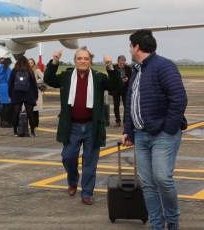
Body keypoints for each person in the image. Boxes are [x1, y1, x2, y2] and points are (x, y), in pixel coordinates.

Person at [122, 30, 188, 230]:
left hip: (162, 135)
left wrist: (168, 129)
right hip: (141, 136)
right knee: (148, 184)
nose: (130, 49)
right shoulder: (137, 70)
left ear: (136, 47)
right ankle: (157, 225)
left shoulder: (164, 66)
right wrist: (128, 130)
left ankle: (172, 221)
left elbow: (179, 99)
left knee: (162, 178)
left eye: (130, 45)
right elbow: (130, 102)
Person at [44, 47, 121, 205]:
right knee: (68, 157)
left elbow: (116, 85)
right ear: (75, 60)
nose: (83, 61)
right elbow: (49, 79)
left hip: (93, 126)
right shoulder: (66, 76)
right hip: (72, 126)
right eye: (79, 58)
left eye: (86, 58)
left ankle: (87, 193)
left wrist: (110, 67)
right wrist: (55, 61)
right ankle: (73, 181)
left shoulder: (98, 77)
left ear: (90, 61)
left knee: (90, 163)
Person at [8, 55, 39, 137]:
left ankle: (15, 131)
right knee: (30, 114)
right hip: (28, 94)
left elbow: (10, 83)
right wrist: (35, 96)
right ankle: (32, 132)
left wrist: (10, 95)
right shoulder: (29, 70)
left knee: (16, 113)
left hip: (16, 94)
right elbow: (34, 84)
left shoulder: (14, 70)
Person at [110, 55, 132, 127]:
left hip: (125, 89)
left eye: (124, 61)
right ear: (118, 61)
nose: (122, 62)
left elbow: (131, 77)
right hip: (116, 89)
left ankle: (125, 122)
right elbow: (111, 77)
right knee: (116, 106)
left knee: (126, 105)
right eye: (121, 61)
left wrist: (127, 79)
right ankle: (118, 121)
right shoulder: (114, 67)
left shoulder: (128, 68)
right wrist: (119, 80)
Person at [29, 57, 46, 129]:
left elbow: (43, 77)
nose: (30, 64)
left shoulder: (37, 70)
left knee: (35, 109)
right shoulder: (26, 70)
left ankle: (36, 124)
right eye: (28, 63)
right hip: (28, 91)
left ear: (34, 63)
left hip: (35, 91)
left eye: (31, 63)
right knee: (30, 108)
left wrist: (36, 82)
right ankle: (31, 124)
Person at [0, 57, 12, 125]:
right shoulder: (7, 69)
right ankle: (7, 121)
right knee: (7, 105)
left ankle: (2, 121)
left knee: (3, 105)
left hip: (1, 86)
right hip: (7, 87)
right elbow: (9, 79)